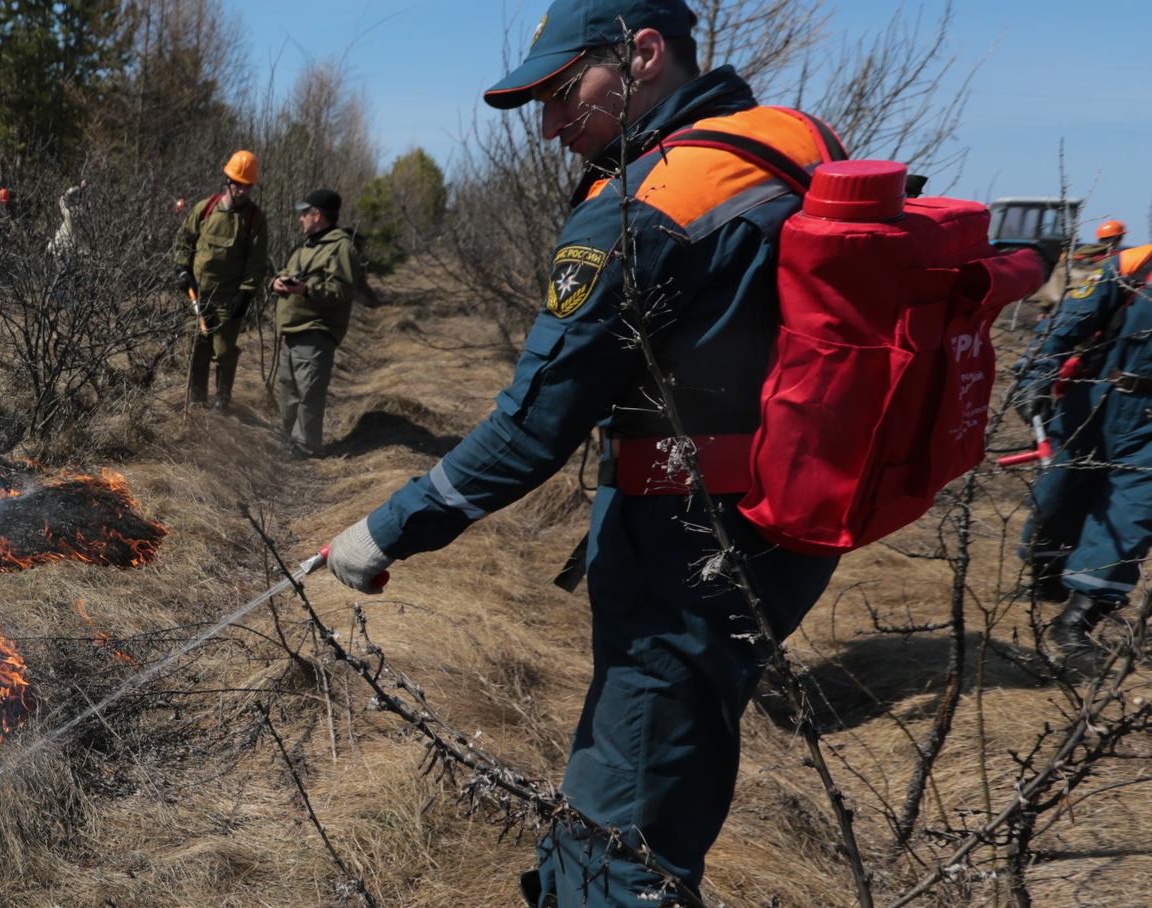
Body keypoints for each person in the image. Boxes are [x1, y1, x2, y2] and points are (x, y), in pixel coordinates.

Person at [307, 2, 894, 903]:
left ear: (642, 55)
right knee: (644, 776)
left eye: (559, 94)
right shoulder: (790, 145)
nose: (547, 128)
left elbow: (532, 426)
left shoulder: (648, 202)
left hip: (687, 553)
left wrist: (385, 531)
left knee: (631, 838)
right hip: (780, 532)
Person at [1015, 241, 1152, 659]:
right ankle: (1048, 572)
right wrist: (1036, 376)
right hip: (1094, 401)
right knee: (1058, 496)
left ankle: (1079, 618)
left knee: (1134, 513)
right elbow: (1067, 323)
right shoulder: (1134, 264)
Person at [269, 189, 378, 457]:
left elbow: (342, 291)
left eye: (305, 213)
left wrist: (307, 289)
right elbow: (289, 273)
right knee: (288, 391)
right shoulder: (307, 245)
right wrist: (277, 282)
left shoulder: (340, 247)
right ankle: (290, 443)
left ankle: (306, 449)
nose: (300, 219)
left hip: (316, 331)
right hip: (293, 331)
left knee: (309, 395)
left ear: (317, 215)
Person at [171, 150, 270, 411]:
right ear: (228, 181)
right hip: (198, 295)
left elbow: (257, 262)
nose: (242, 190)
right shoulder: (205, 209)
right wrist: (182, 270)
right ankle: (196, 401)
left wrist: (246, 294)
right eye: (238, 183)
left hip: (229, 300)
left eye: (247, 185)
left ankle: (222, 402)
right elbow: (183, 241)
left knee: (224, 352)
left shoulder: (254, 220)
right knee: (196, 348)